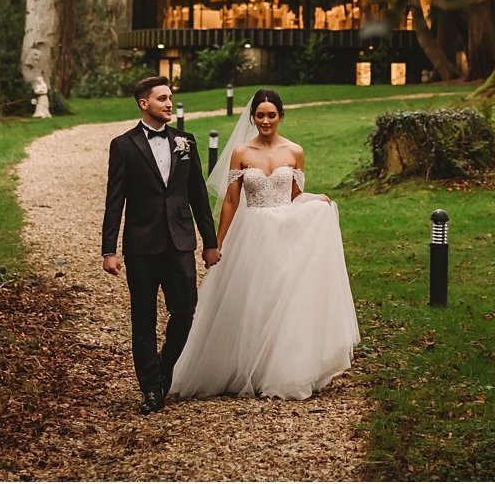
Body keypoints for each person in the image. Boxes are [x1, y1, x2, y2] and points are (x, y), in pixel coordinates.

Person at [168, 88, 359, 400]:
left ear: (281, 116)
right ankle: (243, 368)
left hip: (286, 230)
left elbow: (295, 196)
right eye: (260, 115)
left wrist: (315, 201)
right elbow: (231, 201)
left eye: (272, 115)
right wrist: (216, 243)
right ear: (252, 117)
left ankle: (279, 369)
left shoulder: (294, 151)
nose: (266, 121)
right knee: (251, 296)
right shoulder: (242, 153)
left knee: (283, 297)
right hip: (252, 230)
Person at [101, 75, 220, 415]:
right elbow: (115, 201)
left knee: (185, 312)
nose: (169, 103)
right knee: (144, 317)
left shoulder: (186, 141)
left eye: (170, 98)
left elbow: (197, 194)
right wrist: (108, 250)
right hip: (141, 246)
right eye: (162, 98)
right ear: (144, 104)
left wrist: (209, 243)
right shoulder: (123, 145)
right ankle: (151, 390)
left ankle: (165, 372)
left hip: (180, 242)